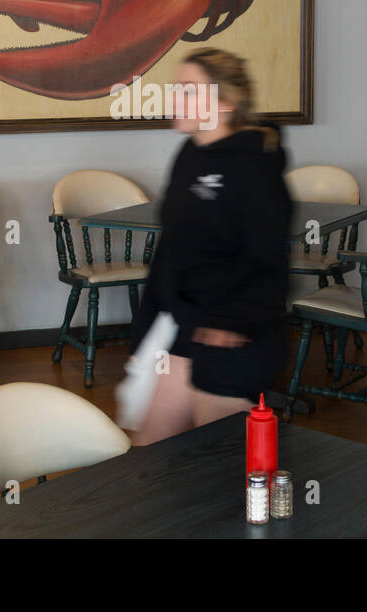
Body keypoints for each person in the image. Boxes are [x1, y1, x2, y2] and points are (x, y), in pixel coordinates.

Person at [125, 47, 292, 445]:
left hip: (235, 337)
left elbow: (268, 258)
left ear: (226, 102)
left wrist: (232, 321)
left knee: (218, 473)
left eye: (188, 90)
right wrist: (143, 332)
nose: (174, 99)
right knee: (149, 451)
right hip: (187, 327)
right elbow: (171, 247)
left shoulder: (255, 166)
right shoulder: (190, 154)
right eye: (176, 88)